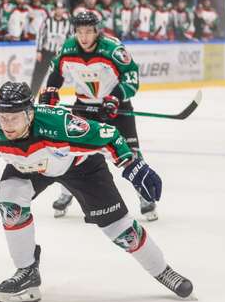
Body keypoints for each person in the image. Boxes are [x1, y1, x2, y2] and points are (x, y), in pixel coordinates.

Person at [0, 81, 192, 302]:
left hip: (81, 169)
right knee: (10, 202)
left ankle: (163, 271)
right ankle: (27, 271)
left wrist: (131, 165)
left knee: (121, 230)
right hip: (28, 169)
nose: (6, 125)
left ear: (30, 114)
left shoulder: (60, 125)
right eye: (2, 117)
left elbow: (108, 135)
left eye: (14, 118)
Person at [39, 11, 158, 221]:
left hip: (116, 108)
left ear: (97, 31)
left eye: (88, 32)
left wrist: (115, 98)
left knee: (130, 153)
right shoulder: (68, 48)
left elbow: (131, 77)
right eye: (79, 32)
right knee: (71, 153)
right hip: (84, 107)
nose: (83, 37)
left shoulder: (112, 49)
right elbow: (56, 72)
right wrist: (51, 91)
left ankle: (144, 195)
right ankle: (66, 193)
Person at [30, 1, 70, 92]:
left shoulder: (67, 23)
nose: (59, 11)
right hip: (46, 52)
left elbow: (69, 38)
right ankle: (32, 96)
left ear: (64, 10)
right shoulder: (48, 20)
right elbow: (40, 35)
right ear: (54, 10)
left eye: (61, 8)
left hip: (58, 55)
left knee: (56, 77)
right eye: (57, 8)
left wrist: (67, 53)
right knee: (38, 75)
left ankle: (52, 97)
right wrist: (39, 51)